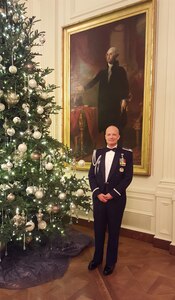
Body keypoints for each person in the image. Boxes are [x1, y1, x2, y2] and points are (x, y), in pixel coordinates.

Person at [88, 125, 133, 276]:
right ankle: (97, 259)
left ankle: (111, 262)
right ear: (105, 136)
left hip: (116, 200)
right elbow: (91, 176)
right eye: (109, 134)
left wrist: (113, 193)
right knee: (98, 230)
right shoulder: (97, 153)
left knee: (114, 232)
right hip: (99, 198)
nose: (111, 137)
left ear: (118, 137)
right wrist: (97, 193)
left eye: (114, 134)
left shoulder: (126, 154)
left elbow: (127, 178)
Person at [78, 47, 129, 143]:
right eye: (107, 54)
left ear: (115, 56)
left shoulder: (121, 70)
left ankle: (118, 151)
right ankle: (108, 149)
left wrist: (124, 99)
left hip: (115, 104)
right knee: (106, 127)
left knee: (116, 127)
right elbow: (94, 81)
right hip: (104, 105)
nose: (108, 56)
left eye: (111, 54)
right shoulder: (103, 72)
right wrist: (84, 88)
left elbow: (125, 85)